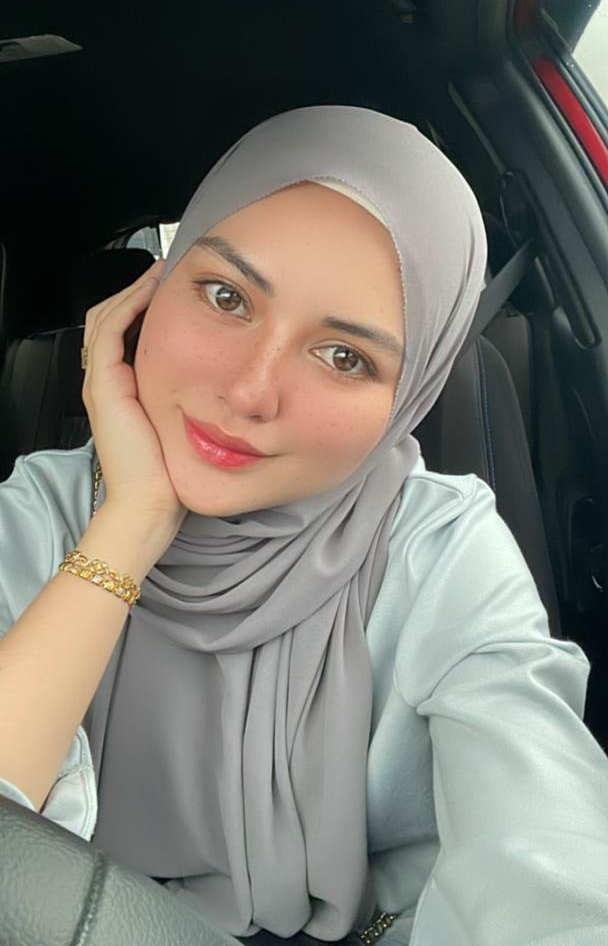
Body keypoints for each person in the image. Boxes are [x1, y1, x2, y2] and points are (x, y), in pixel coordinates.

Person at [1, 105, 608, 946]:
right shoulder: (42, 510)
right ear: (147, 296)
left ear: (409, 396)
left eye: (344, 356)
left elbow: (546, 842)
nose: (250, 391)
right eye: (225, 296)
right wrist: (132, 521)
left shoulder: (439, 547)